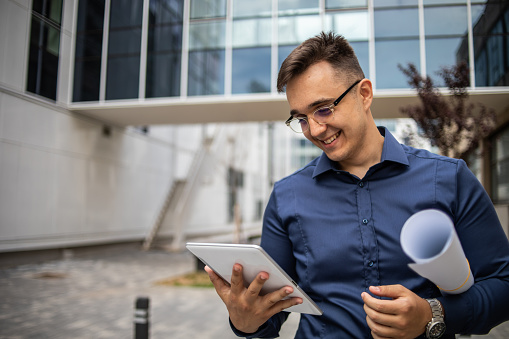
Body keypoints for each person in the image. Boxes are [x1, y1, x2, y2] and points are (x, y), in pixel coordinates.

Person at [205, 31, 509, 338]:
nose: (315, 129)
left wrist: (433, 313)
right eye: (301, 118)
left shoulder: (449, 178)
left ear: (364, 94)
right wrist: (245, 322)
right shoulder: (287, 196)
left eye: (323, 108)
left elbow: (503, 285)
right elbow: (269, 313)